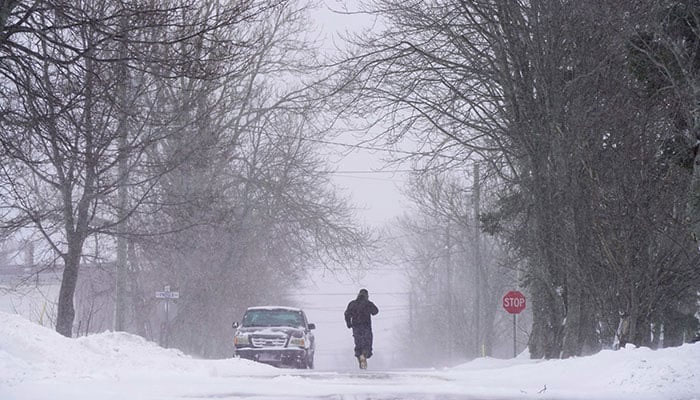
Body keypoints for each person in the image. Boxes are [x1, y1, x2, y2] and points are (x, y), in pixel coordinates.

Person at [344, 288, 379, 369]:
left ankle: (360, 358)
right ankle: (364, 355)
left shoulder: (352, 304)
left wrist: (349, 323)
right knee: (367, 344)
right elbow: (376, 311)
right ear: (367, 296)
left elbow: (347, 314)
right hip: (366, 327)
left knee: (358, 344)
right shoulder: (368, 303)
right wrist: (369, 307)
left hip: (356, 327)